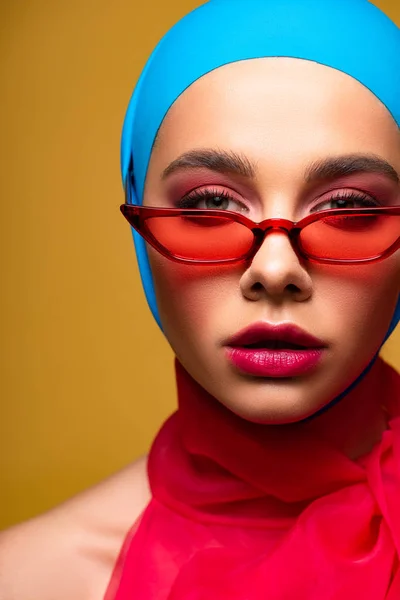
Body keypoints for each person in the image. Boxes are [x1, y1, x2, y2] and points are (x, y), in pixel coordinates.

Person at [1, 0, 399, 598]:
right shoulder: (31, 579)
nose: (274, 270)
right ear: (137, 218)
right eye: (210, 204)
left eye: (348, 207)